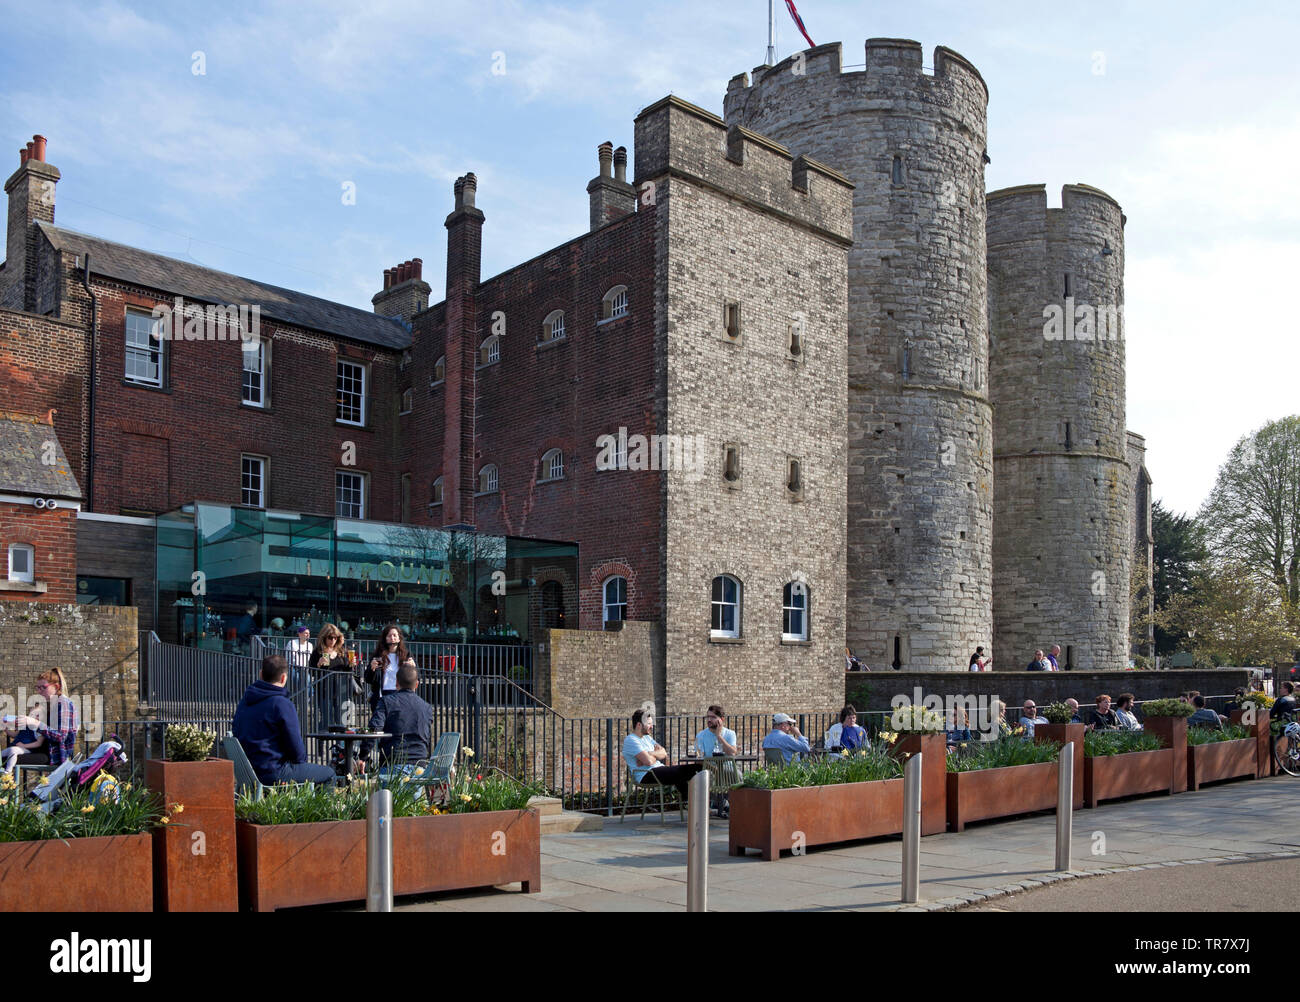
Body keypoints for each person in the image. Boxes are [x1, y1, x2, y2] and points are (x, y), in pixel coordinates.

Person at [233, 655, 335, 786]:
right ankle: (311, 807)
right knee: (329, 774)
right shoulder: (281, 704)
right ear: (283, 678)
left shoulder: (245, 701)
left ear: (261, 674)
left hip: (246, 772)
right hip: (274, 772)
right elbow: (297, 751)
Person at [622, 707, 702, 802]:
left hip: (658, 770)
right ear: (639, 725)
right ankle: (695, 804)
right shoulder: (631, 740)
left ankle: (691, 803)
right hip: (646, 774)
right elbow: (649, 761)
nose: (652, 726)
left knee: (688, 772)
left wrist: (649, 753)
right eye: (649, 724)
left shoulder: (647, 738)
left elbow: (664, 753)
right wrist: (653, 756)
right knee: (690, 770)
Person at [368, 663, 433, 774]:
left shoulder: (386, 701)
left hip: (392, 763)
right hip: (419, 765)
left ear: (396, 683)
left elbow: (374, 729)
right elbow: (426, 736)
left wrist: (363, 755)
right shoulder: (426, 707)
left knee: (388, 791)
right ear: (417, 684)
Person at [366, 624, 419, 713]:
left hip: (401, 694)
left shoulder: (407, 656)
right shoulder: (378, 656)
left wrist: (414, 668)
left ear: (399, 638)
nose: (392, 638)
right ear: (385, 638)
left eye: (395, 635)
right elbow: (368, 679)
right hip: (382, 695)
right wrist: (372, 669)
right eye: (389, 635)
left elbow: (417, 678)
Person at [308, 623, 349, 729]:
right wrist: (318, 664)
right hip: (325, 690)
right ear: (324, 637)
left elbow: (347, 671)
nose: (333, 640)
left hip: (341, 690)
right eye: (330, 638)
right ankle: (321, 743)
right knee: (327, 720)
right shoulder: (317, 652)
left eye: (336, 638)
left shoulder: (341, 652)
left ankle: (341, 745)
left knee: (341, 722)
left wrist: (351, 665)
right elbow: (312, 672)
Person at [2, 702, 44, 776]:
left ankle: (8, 772)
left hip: (27, 748)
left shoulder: (40, 728)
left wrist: (24, 745)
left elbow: (38, 743)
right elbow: (15, 735)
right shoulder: (24, 724)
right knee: (2, 754)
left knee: (13, 750)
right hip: (16, 745)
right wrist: (6, 729)